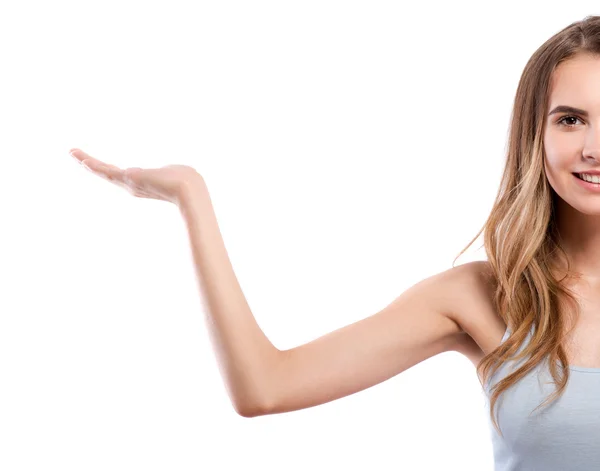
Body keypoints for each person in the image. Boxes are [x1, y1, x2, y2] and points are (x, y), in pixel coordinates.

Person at [69, 14, 600, 470]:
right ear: (536, 136)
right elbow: (264, 386)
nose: (593, 148)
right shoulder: (484, 296)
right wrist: (191, 195)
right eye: (571, 120)